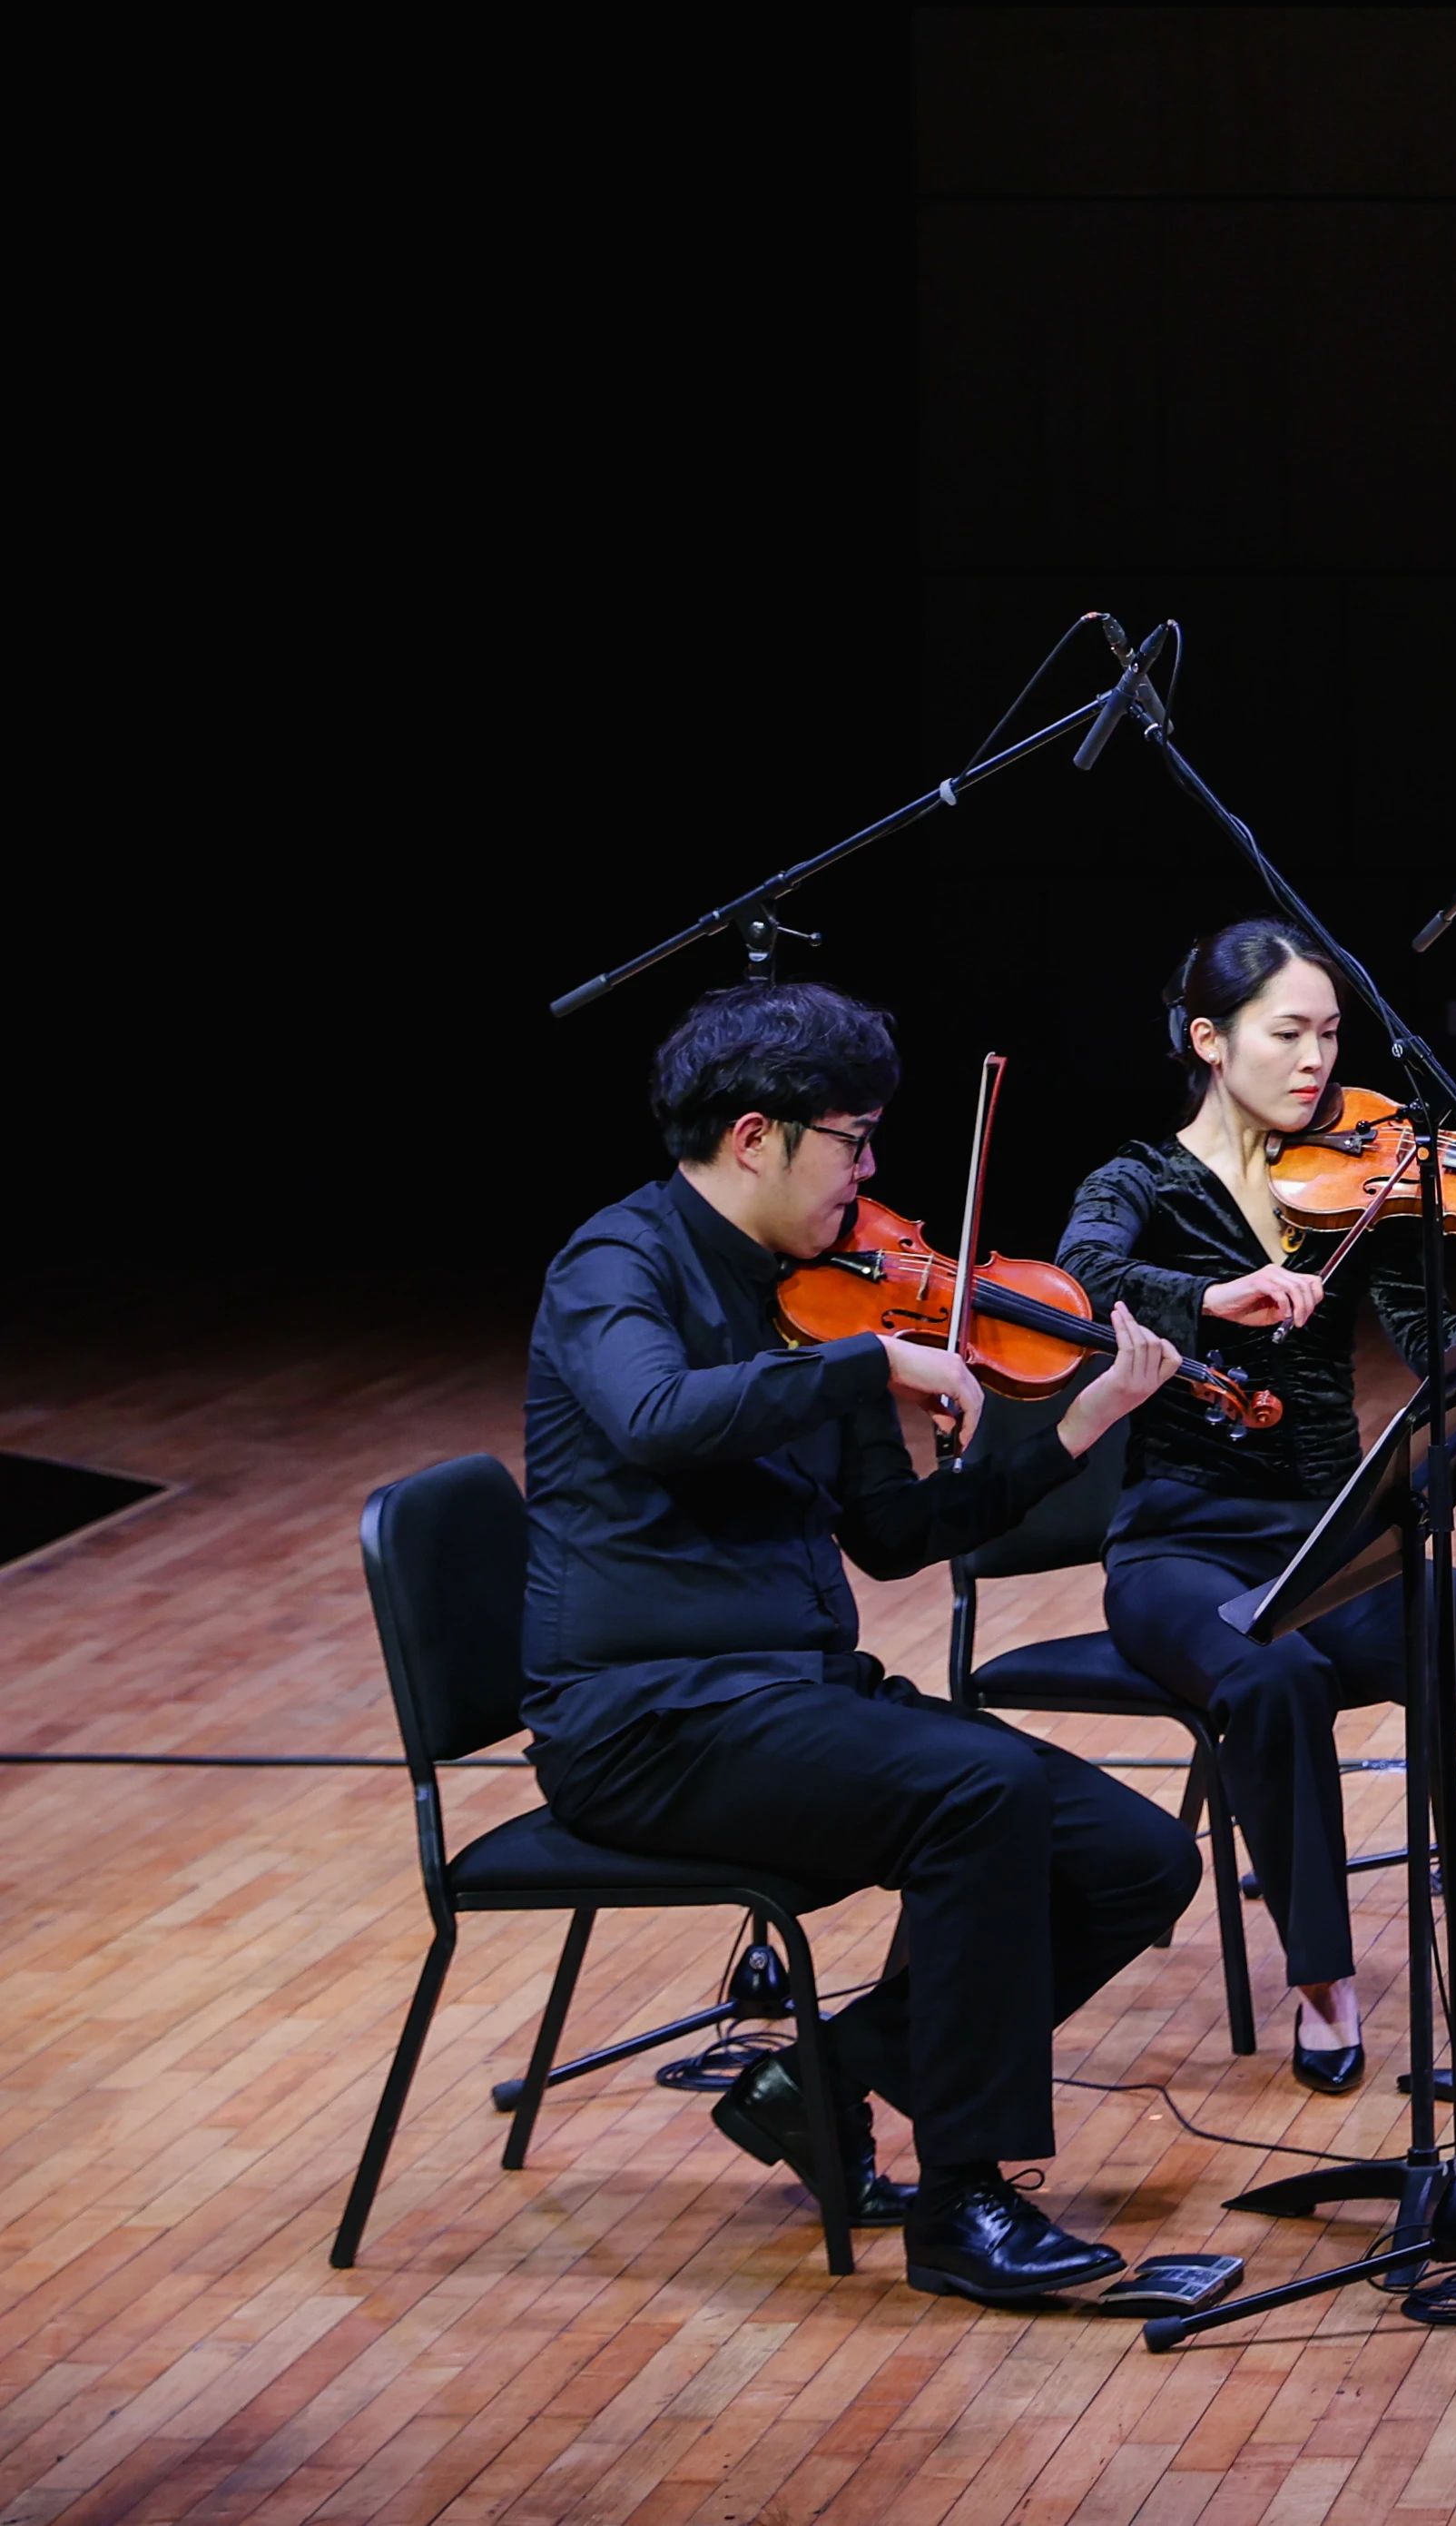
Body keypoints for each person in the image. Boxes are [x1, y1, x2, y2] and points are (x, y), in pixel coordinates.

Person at [520, 980, 1199, 2306]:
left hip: (790, 1694)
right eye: (854, 1139)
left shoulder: (815, 1301)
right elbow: (656, 1415)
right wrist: (870, 1364)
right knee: (978, 1789)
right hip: (646, 1719)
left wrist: (1076, 1427)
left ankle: (819, 2081)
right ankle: (961, 2202)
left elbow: (888, 1535)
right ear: (756, 1137)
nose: (870, 1172)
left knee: (1137, 1859)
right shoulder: (616, 1265)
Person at [1061, 917, 1456, 2096]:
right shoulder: (1138, 1181)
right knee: (1272, 1677)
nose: (1316, 1060)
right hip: (1181, 1546)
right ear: (1209, 1040)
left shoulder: (1349, 1187)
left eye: (1329, 1034)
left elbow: (1440, 1349)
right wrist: (1213, 1295)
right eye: (1287, 1034)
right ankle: (1322, 1981)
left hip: (1330, 1538)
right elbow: (1084, 1277)